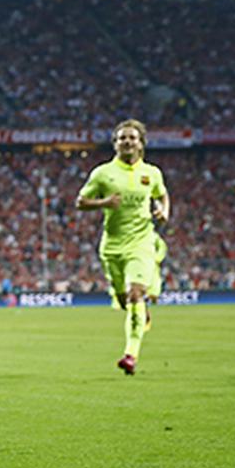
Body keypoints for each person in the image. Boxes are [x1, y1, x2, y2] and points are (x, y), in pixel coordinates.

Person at [76, 119, 170, 376]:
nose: (127, 141)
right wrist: (105, 202)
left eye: (132, 138)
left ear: (141, 144)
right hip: (112, 246)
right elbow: (80, 202)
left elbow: (162, 194)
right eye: (122, 138)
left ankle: (130, 355)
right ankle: (141, 315)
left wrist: (163, 210)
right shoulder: (103, 173)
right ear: (115, 144)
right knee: (122, 300)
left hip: (141, 242)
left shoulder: (151, 173)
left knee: (135, 294)